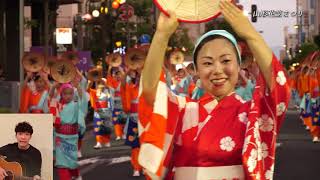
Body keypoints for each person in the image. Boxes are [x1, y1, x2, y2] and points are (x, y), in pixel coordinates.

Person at [138, 1, 290, 179]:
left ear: (239, 65)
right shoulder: (183, 110)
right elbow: (150, 93)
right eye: (207, 63)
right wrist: (162, 35)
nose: (217, 70)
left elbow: (278, 90)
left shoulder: (251, 113)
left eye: (226, 61)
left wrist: (250, 34)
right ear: (196, 69)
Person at [49, 76, 87, 180]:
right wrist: (53, 87)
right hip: (59, 137)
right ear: (61, 94)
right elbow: (50, 98)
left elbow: (82, 98)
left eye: (70, 93)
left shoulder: (75, 105)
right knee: (62, 163)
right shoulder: (57, 105)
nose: (68, 96)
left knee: (71, 161)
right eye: (65, 93)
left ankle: (76, 174)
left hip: (72, 138)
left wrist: (78, 86)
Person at [88, 80, 114, 148]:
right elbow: (88, 89)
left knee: (107, 127)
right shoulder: (94, 92)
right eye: (99, 83)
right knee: (98, 127)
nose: (101, 85)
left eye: (102, 83)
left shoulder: (108, 91)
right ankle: (98, 142)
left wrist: (107, 86)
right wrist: (91, 82)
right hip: (98, 113)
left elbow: (112, 95)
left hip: (106, 112)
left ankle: (107, 141)